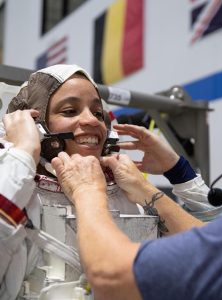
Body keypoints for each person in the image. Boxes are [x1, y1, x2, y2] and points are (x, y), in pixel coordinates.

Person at [52, 52, 222, 299]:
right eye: (70, 110)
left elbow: (112, 276)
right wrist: (170, 176)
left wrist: (87, 191)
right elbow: (214, 242)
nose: (89, 121)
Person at [0, 64, 145, 299]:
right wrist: (23, 154)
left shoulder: (125, 191)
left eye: (98, 113)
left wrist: (181, 176)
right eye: (70, 111)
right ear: (35, 126)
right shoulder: (13, 189)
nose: (92, 121)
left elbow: (202, 263)